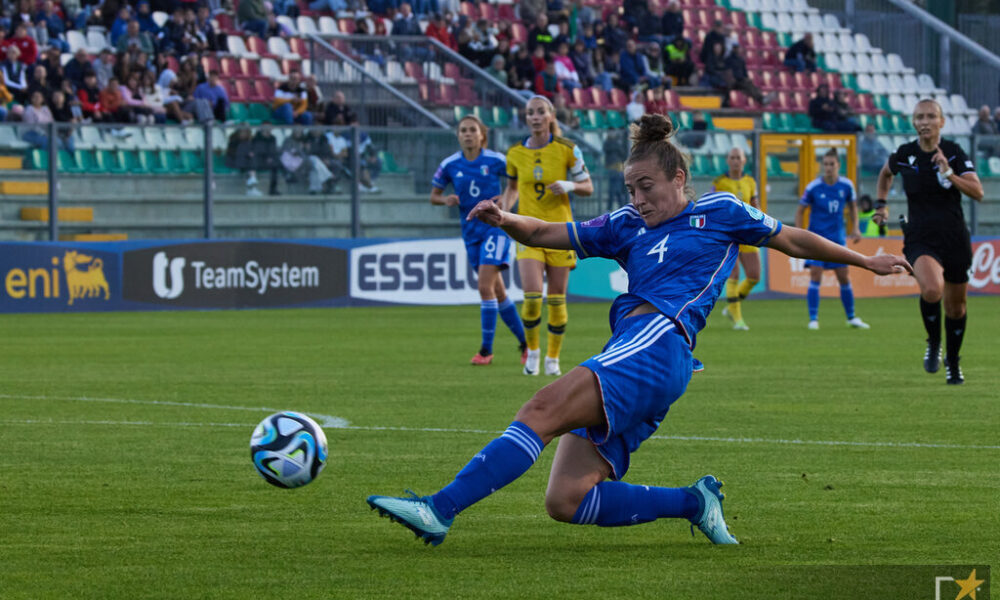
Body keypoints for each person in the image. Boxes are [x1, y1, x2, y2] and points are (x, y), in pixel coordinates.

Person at [366, 114, 911, 548]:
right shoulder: (627, 225)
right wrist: (506, 220)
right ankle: (694, 502)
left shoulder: (720, 210)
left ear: (678, 178)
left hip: (659, 339)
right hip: (641, 354)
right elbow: (549, 230)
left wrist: (866, 262)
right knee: (567, 499)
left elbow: (792, 239)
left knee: (539, 411)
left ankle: (438, 509)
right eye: (630, 188)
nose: (638, 198)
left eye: (646, 186)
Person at [874, 99, 984, 384]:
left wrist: (949, 173)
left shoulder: (954, 153)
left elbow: (977, 192)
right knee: (933, 289)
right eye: (919, 117)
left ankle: (953, 362)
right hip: (920, 237)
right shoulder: (904, 154)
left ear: (941, 122)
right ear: (913, 122)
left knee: (956, 308)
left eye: (930, 116)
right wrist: (881, 205)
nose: (924, 121)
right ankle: (934, 342)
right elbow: (885, 174)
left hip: (954, 237)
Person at [497, 95, 594, 376]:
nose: (535, 117)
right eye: (530, 113)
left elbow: (588, 186)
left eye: (540, 112)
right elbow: (513, 188)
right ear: (526, 118)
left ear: (550, 116)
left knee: (557, 299)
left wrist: (569, 185)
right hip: (528, 231)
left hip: (560, 232)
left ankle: (553, 358)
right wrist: (503, 210)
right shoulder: (515, 153)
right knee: (530, 296)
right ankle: (533, 353)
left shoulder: (567, 149)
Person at [430, 116, 528, 365]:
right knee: (498, 291)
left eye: (472, 130)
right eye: (463, 130)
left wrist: (506, 202)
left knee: (484, 287)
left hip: (495, 229)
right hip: (470, 233)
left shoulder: (495, 160)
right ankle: (527, 345)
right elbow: (434, 196)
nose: (467, 134)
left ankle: (486, 351)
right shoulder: (450, 164)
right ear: (458, 135)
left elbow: (516, 182)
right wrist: (445, 200)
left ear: (481, 135)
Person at [795, 149, 869, 330]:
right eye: (825, 164)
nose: (828, 167)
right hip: (816, 238)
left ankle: (851, 317)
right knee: (815, 275)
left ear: (838, 165)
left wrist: (856, 228)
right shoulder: (813, 187)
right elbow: (800, 210)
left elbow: (853, 208)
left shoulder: (846, 185)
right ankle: (813, 319)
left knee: (843, 277)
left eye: (831, 164)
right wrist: (798, 232)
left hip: (837, 238)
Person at [711, 147, 760, 331]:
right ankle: (738, 320)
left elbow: (755, 205)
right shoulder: (720, 182)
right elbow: (712, 205)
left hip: (747, 232)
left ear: (744, 161)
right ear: (727, 160)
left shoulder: (750, 182)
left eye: (738, 158)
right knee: (734, 274)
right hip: (728, 234)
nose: (735, 161)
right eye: (732, 158)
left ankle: (732, 306)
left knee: (754, 276)